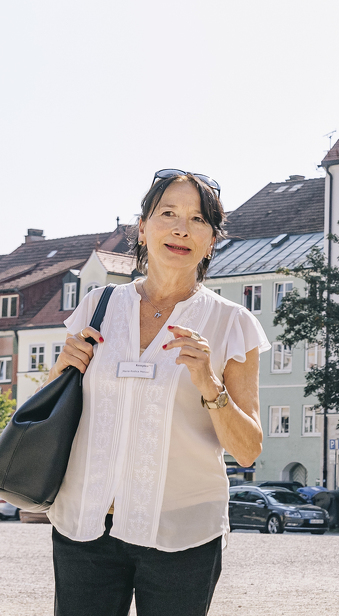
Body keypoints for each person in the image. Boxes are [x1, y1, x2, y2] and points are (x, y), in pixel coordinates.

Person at [45, 170, 269, 616]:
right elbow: (52, 407)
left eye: (197, 219)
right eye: (167, 213)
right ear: (143, 229)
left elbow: (248, 450)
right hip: (86, 524)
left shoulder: (233, 323)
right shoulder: (98, 305)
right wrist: (60, 368)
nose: (181, 228)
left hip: (182, 533)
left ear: (211, 241)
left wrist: (209, 382)